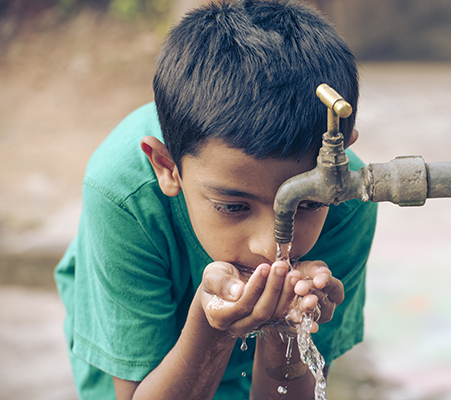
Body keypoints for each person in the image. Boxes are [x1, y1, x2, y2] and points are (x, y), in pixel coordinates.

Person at [54, 0, 377, 399]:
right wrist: (212, 328)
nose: (270, 247)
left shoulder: (347, 197)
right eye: (232, 206)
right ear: (167, 167)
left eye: (304, 204)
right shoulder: (124, 195)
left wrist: (288, 332)